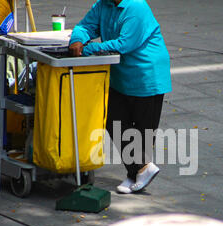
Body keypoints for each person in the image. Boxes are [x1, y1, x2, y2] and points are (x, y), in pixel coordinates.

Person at [69, 0, 172, 194]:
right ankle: (140, 170)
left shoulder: (136, 7)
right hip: (121, 76)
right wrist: (77, 39)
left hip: (147, 76)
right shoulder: (103, 4)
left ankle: (135, 174)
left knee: (143, 132)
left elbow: (125, 43)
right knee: (113, 120)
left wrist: (86, 49)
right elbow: (85, 26)